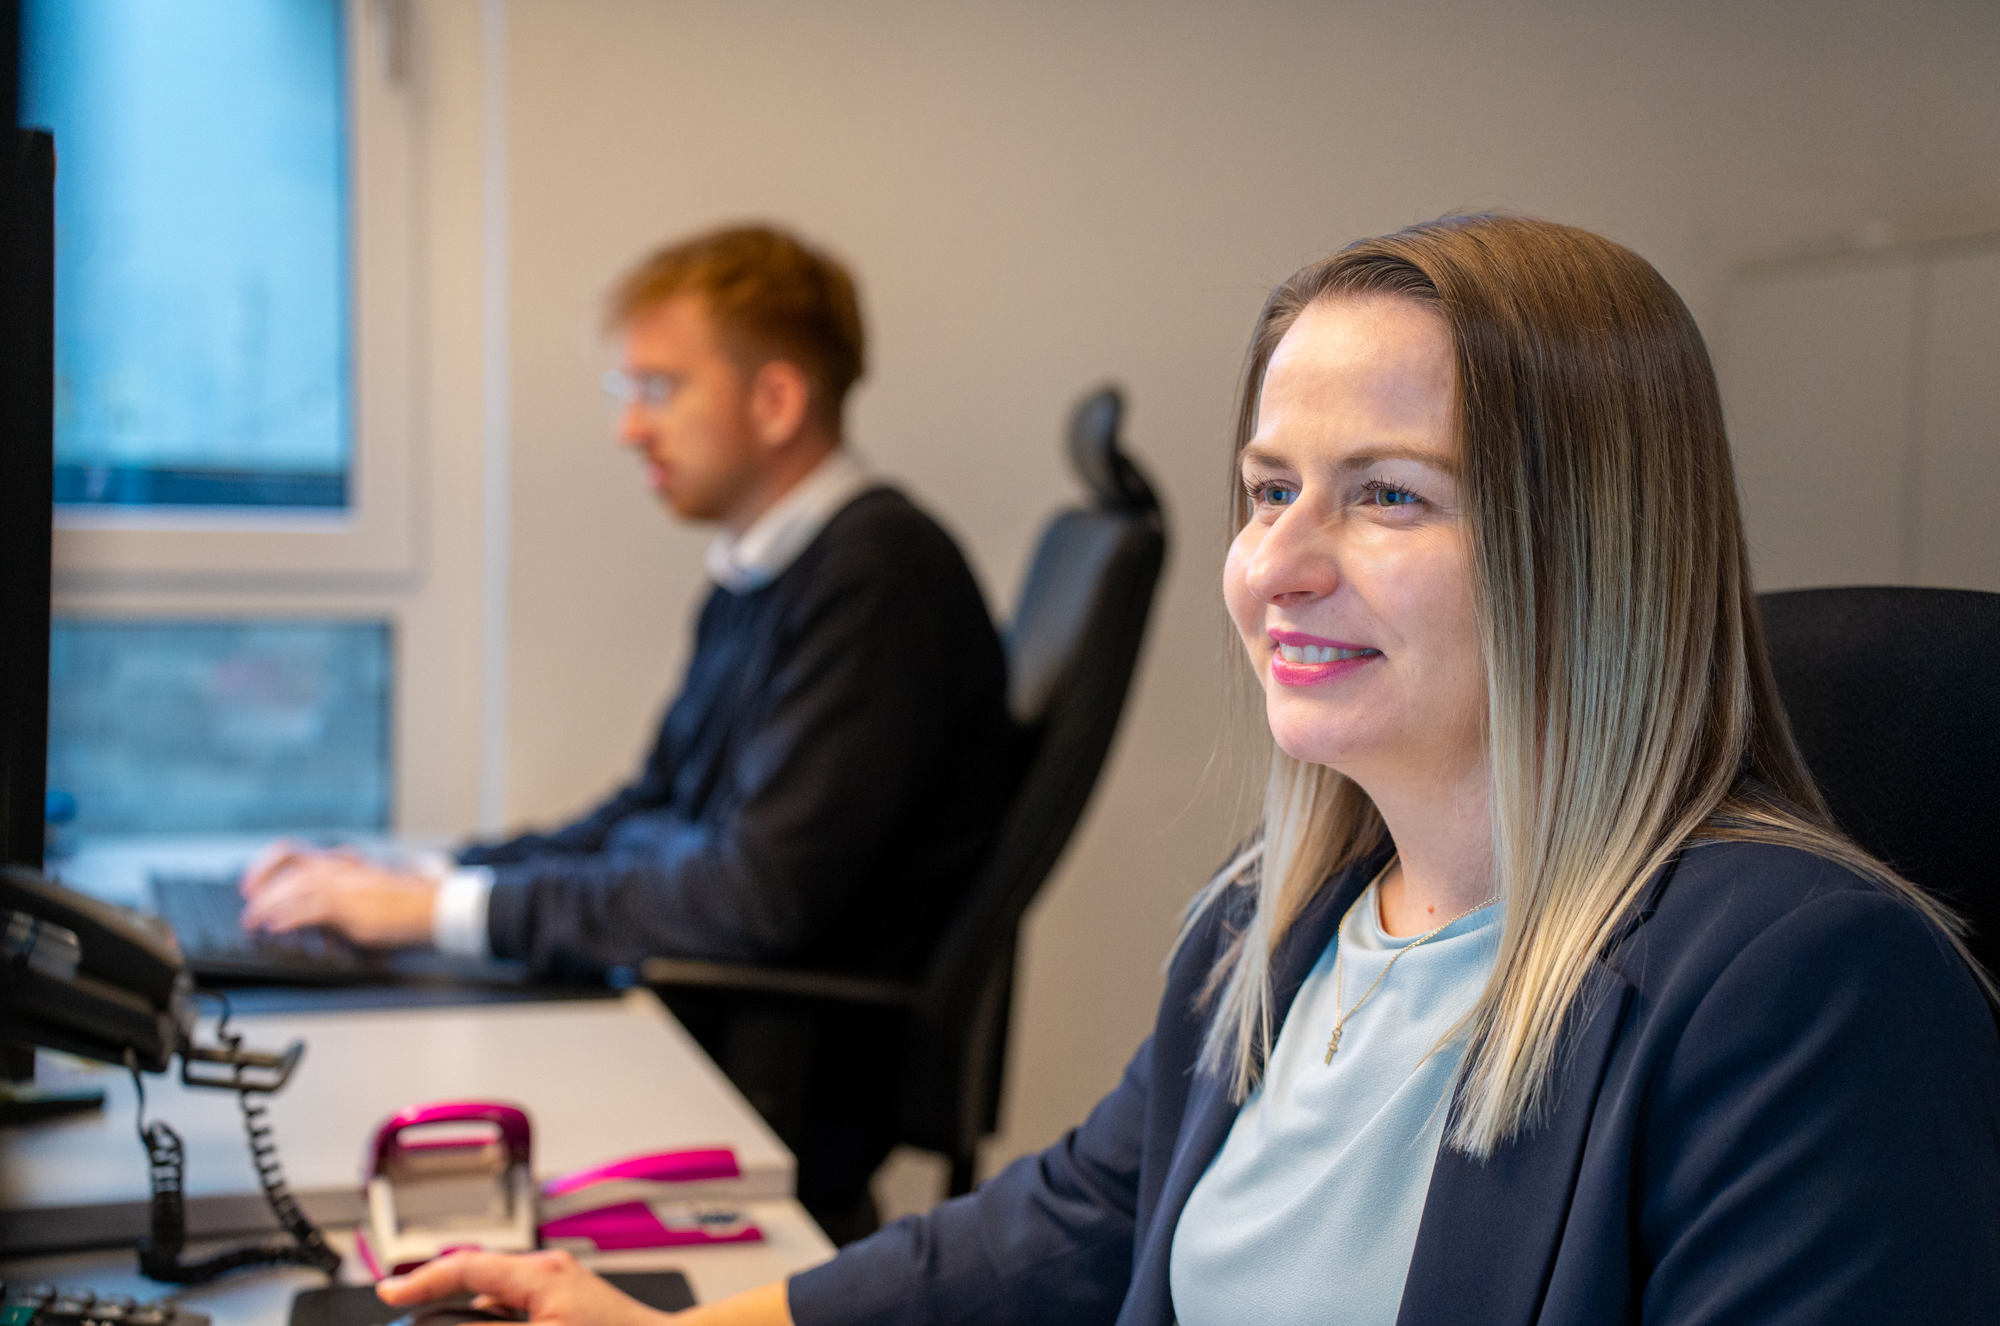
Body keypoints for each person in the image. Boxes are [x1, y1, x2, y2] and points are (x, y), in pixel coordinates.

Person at [369, 214, 2000, 1324]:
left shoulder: (1806, 982)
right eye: (1267, 486)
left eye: (1386, 495)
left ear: (1596, 552)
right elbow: (1070, 1222)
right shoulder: (1272, 923)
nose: (1274, 564)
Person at [238, 224, 1022, 1243]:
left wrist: (444, 911)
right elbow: (653, 803)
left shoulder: (875, 581)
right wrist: (429, 876)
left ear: (774, 400)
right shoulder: (766, 568)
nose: (628, 429)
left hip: (762, 1075)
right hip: (693, 1030)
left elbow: (755, 896)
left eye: (657, 389)